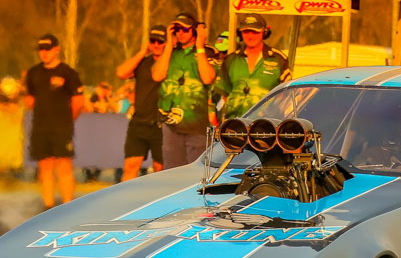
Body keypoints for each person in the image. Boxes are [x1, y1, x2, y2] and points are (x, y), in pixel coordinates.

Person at [25, 34, 84, 209]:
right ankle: (48, 207)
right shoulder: (33, 72)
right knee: (45, 169)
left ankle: (67, 206)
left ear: (57, 50)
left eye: (48, 49)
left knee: (64, 168)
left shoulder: (68, 73)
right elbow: (30, 100)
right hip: (40, 127)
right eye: (41, 50)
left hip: (61, 128)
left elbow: (78, 102)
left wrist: (66, 120)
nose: (44, 53)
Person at [155, 12, 216, 169]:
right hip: (171, 125)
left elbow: (208, 78)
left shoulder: (207, 52)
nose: (180, 32)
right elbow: (157, 75)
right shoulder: (170, 53)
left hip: (197, 125)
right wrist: (169, 44)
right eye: (177, 29)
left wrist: (200, 47)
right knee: (172, 173)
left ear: (194, 31)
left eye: (185, 29)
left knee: (196, 174)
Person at [115, 24, 171, 181]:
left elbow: (159, 75)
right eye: (153, 41)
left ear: (166, 43)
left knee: (161, 168)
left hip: (161, 124)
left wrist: (169, 49)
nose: (156, 45)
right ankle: (127, 197)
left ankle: (160, 197)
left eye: (160, 41)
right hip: (139, 122)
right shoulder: (142, 62)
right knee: (130, 166)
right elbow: (121, 73)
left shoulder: (171, 62)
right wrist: (142, 52)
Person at [215, 13, 291, 122]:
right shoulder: (231, 59)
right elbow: (223, 94)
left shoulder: (279, 59)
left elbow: (286, 95)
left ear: (264, 32)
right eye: (246, 31)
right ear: (240, 33)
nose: (250, 36)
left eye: (255, 32)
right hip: (234, 124)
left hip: (267, 125)